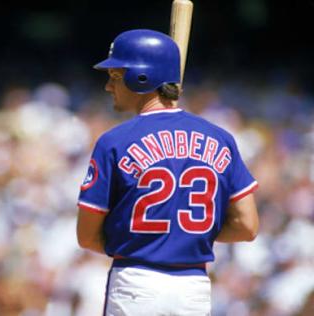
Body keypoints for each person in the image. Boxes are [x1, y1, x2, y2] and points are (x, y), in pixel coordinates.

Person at [76, 29, 259, 316]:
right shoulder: (221, 138)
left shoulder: (114, 141)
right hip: (193, 288)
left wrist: (140, 241)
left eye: (114, 77)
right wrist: (186, 237)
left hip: (135, 282)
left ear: (140, 78)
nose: (108, 87)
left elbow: (87, 236)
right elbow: (247, 226)